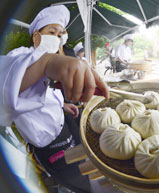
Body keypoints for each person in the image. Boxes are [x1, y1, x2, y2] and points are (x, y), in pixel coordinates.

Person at [0, 5, 109, 193]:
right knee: (74, 179)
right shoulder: (19, 56)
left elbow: (46, 94)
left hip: (63, 121)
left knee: (83, 161)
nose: (57, 37)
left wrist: (63, 105)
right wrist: (44, 63)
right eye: (52, 31)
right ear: (36, 36)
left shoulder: (57, 62)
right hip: (47, 141)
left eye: (60, 34)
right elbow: (7, 81)